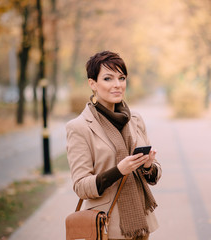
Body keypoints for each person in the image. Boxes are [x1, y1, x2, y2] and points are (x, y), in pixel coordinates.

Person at [66, 50, 161, 240]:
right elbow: (81, 186)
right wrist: (119, 170)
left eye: (122, 78)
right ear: (92, 83)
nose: (117, 85)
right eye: (108, 78)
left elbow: (154, 175)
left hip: (141, 222)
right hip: (108, 226)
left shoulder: (135, 119)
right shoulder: (79, 127)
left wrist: (148, 166)